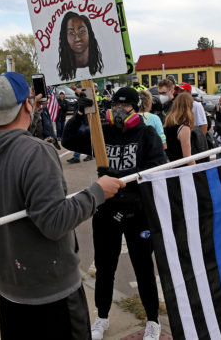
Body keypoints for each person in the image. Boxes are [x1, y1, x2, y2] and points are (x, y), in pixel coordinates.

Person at [0, 72, 124, 340]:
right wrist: (98, 193)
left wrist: (32, 113)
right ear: (27, 104)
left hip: (11, 287)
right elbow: (54, 222)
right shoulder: (36, 152)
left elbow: (9, 138)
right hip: (51, 294)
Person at [63, 87, 166, 340]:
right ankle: (102, 317)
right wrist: (78, 114)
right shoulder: (103, 133)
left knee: (143, 267)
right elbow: (68, 141)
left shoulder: (147, 133)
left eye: (125, 106)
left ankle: (153, 321)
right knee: (105, 266)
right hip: (106, 209)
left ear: (136, 108)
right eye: (115, 106)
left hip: (137, 211)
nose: (119, 111)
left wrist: (121, 177)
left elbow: (158, 166)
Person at [57, 11, 104, 81]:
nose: (77, 38)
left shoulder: (99, 69)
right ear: (65, 37)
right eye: (71, 33)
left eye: (82, 31)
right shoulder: (65, 73)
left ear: (89, 34)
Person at [163, 93, 196, 165]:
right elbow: (187, 157)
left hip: (170, 166)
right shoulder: (184, 128)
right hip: (181, 169)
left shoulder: (167, 125)